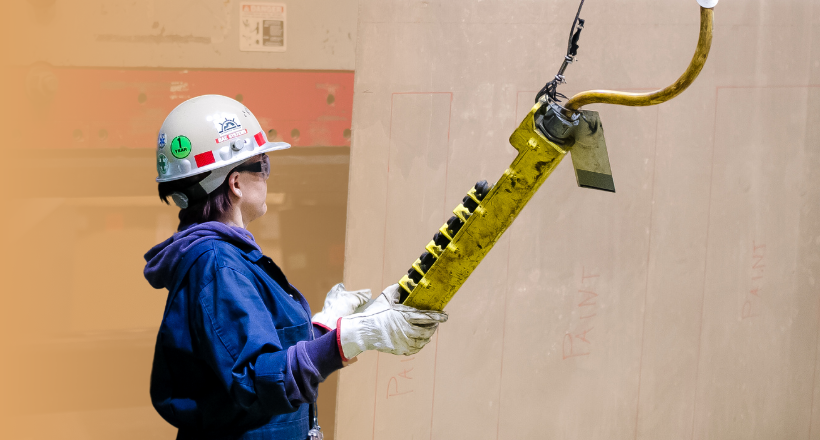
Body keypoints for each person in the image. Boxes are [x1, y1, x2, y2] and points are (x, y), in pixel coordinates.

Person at [143, 95, 448, 440]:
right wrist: (357, 336)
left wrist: (325, 328)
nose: (268, 176)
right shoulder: (217, 263)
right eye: (263, 164)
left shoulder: (221, 258)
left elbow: (251, 353)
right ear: (236, 183)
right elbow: (259, 380)